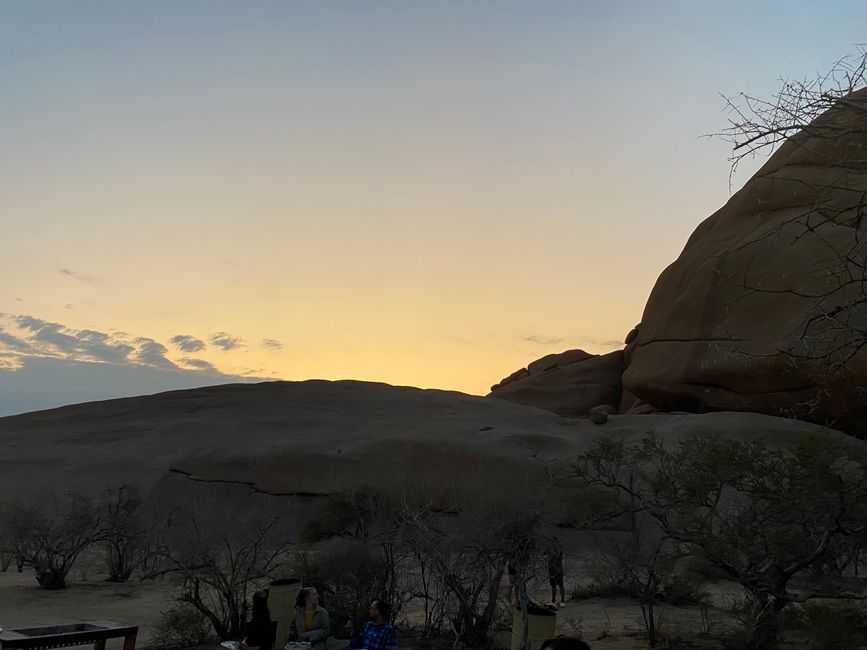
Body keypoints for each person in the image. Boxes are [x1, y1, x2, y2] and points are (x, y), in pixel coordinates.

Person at [546, 536, 566, 608]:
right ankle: (554, 600)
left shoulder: (559, 547)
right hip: (552, 569)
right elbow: (544, 553)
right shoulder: (550, 548)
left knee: (560, 585)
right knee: (553, 585)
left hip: (557, 569)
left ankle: (562, 600)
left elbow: (559, 554)